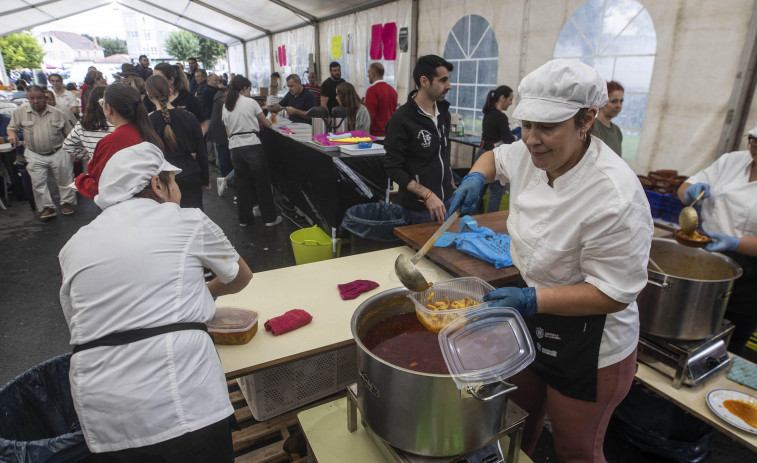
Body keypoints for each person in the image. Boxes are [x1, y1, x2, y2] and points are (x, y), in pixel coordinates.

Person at [447, 59, 653, 463]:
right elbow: (496, 158)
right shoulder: (529, 153)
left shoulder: (614, 196)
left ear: (587, 120)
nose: (532, 139)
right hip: (533, 316)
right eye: (526, 125)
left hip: (592, 341)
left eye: (548, 127)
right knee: (516, 422)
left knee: (576, 449)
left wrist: (530, 300)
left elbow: (612, 293)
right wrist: (476, 176)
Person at [59, 142, 252, 462]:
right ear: (157, 184)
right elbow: (239, 277)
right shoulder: (188, 221)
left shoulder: (73, 245)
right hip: (182, 400)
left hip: (102, 414)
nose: (178, 190)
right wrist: (202, 294)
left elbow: (79, 321)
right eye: (173, 181)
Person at [676, 125, 757, 356]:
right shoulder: (732, 161)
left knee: (732, 341)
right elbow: (685, 187)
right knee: (691, 328)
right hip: (707, 255)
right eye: (754, 143)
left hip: (751, 274)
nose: (756, 150)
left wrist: (734, 243)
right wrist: (690, 192)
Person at [384, 55, 455, 224]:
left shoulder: (444, 113)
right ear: (424, 81)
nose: (449, 86)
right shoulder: (401, 119)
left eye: (448, 80)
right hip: (421, 210)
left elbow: (441, 153)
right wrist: (427, 195)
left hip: (448, 202)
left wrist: (450, 180)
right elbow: (393, 168)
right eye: (443, 80)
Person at [75, 83, 163, 198]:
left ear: (109, 108)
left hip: (127, 205)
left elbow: (98, 187)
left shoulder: (112, 143)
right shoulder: (147, 132)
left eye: (102, 104)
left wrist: (79, 180)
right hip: (152, 199)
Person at [6, 85, 76, 220]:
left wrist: (73, 152)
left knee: (65, 180)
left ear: (45, 98)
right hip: (34, 153)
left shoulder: (58, 113)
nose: (36, 101)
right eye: (32, 98)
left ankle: (66, 203)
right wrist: (12, 135)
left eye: (39, 98)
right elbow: (11, 128)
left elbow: (69, 134)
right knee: (38, 182)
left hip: (58, 151)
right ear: (27, 98)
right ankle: (47, 208)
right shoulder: (20, 112)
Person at [222, 75, 281, 227]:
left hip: (235, 147)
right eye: (249, 89)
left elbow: (228, 132)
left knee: (242, 185)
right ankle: (269, 219)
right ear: (244, 88)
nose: (250, 92)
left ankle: (245, 220)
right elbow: (267, 124)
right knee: (262, 183)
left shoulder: (226, 105)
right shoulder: (251, 102)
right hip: (252, 145)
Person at [146, 74, 210, 210]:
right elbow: (202, 151)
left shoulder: (147, 122)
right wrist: (205, 179)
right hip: (190, 173)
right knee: (195, 218)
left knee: (170, 222)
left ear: (148, 95)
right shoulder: (189, 117)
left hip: (163, 178)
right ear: (170, 92)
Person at [478, 85, 517, 212]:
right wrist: (516, 137)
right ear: (502, 98)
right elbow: (508, 140)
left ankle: (474, 217)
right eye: (510, 99)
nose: (511, 103)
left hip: (482, 154)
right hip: (493, 158)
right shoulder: (501, 117)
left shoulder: (488, 113)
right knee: (496, 192)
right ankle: (489, 223)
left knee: (479, 191)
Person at [63, 86, 115, 173]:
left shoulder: (83, 123)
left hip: (95, 168)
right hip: (115, 165)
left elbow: (68, 144)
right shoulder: (115, 121)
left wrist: (88, 154)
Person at [149, 62, 207, 134]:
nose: (155, 81)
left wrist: (195, 141)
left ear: (171, 79)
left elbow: (203, 124)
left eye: (159, 78)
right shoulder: (152, 98)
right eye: (153, 78)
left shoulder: (187, 98)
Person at [364, 63, 398, 137]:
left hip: (376, 135)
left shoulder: (372, 90)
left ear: (373, 74)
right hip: (389, 134)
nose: (368, 75)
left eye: (368, 72)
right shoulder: (392, 90)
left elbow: (369, 115)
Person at [594, 80, 624, 156]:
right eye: (614, 101)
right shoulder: (591, 127)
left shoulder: (617, 131)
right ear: (602, 101)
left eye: (621, 101)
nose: (619, 105)